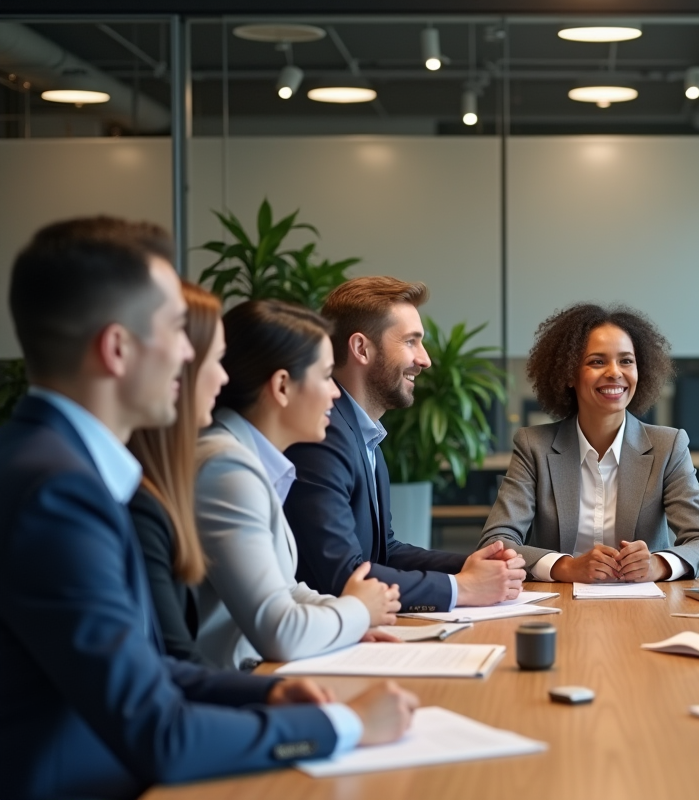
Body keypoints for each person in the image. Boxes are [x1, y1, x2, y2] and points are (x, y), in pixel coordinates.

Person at [0, 217, 417, 800]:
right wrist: (340, 725)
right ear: (117, 349)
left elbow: (150, 669)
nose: (191, 356)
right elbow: (156, 733)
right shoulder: (57, 491)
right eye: (175, 330)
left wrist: (266, 694)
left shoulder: (61, 468)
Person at [285, 276, 525, 613]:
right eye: (411, 342)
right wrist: (463, 587)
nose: (425, 359)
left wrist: (470, 565)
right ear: (361, 349)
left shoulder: (363, 435)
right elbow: (342, 575)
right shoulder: (323, 436)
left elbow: (385, 551)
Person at [194, 300, 402, 671]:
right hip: (232, 688)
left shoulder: (247, 459)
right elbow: (280, 631)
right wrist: (356, 611)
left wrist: (351, 618)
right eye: (325, 376)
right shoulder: (227, 469)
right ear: (282, 386)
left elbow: (286, 591)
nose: (336, 393)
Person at [479, 303, 699, 583]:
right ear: (569, 374)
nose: (614, 372)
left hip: (645, 608)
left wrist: (658, 564)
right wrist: (566, 567)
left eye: (626, 361)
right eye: (597, 361)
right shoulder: (534, 446)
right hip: (560, 605)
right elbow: (495, 544)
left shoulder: (668, 446)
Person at [127, 282, 228, 663]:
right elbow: (174, 662)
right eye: (215, 359)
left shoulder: (164, 486)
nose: (224, 377)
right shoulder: (136, 501)